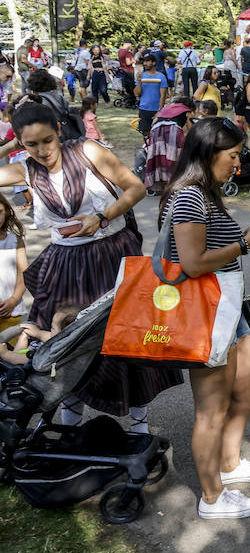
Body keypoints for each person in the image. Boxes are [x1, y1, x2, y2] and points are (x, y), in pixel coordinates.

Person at [0, 102, 181, 435]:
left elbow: (137, 188)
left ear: (58, 129)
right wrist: (11, 145)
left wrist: (102, 217)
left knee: (124, 339)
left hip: (112, 255)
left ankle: (139, 426)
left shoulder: (88, 150)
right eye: (31, 144)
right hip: (66, 265)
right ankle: (70, 427)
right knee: (68, 342)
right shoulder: (25, 169)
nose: (41, 151)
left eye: (46, 140)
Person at [160, 118, 250, 518]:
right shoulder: (189, 197)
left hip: (230, 309)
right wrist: (246, 242)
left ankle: (229, 465)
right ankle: (211, 497)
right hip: (207, 313)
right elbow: (192, 264)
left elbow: (215, 244)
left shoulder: (206, 196)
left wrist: (246, 233)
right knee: (210, 409)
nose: (238, 164)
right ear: (209, 153)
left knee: (248, 386)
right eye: (232, 155)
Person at [143, 101, 192, 196]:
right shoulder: (187, 110)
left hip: (156, 130)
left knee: (160, 158)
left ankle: (162, 185)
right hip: (173, 130)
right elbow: (189, 126)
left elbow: (154, 121)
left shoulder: (168, 108)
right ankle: (172, 185)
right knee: (173, 158)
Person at [0, 191, 29, 332]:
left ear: (6, 211)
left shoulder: (15, 240)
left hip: (10, 311)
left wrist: (13, 299)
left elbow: (24, 273)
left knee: (10, 351)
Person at [135, 52, 168, 137]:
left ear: (154, 63)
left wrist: (160, 110)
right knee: (145, 133)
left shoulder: (161, 77)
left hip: (156, 110)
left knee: (157, 134)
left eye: (147, 61)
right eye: (144, 61)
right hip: (144, 109)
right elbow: (136, 94)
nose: (145, 63)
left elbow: (163, 95)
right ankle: (145, 149)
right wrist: (139, 81)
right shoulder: (141, 76)